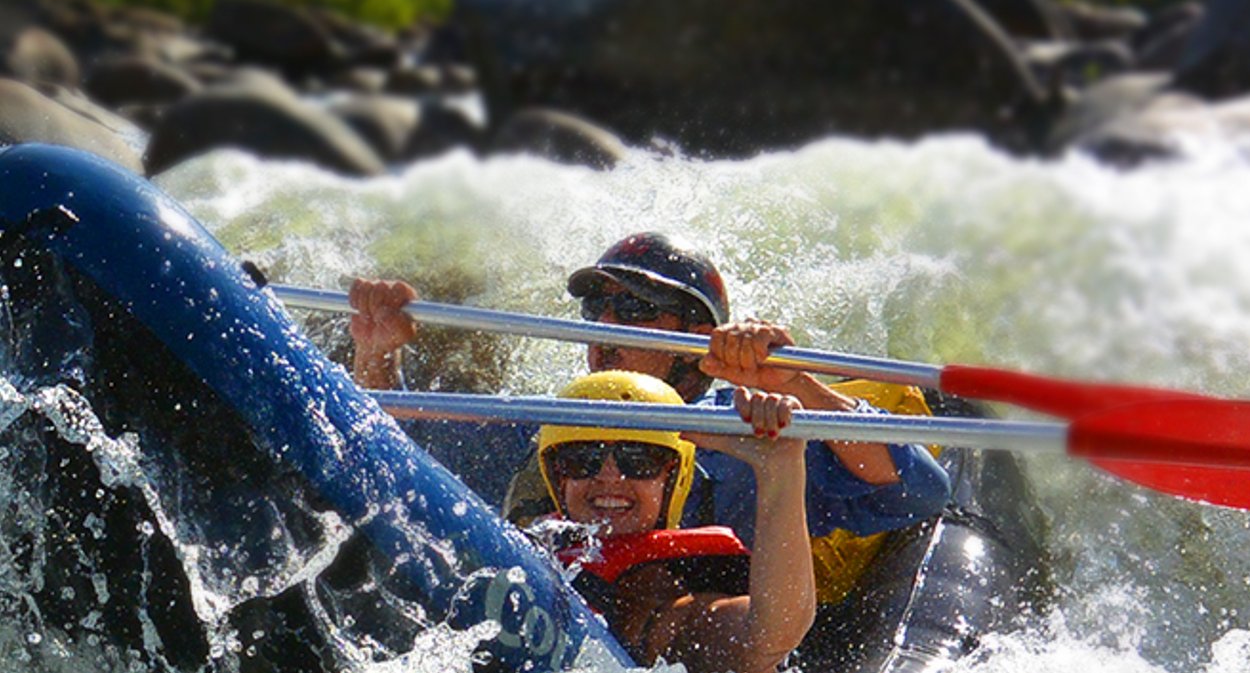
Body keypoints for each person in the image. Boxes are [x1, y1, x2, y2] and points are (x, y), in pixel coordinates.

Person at [347, 233, 951, 560]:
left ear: (695, 337)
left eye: (635, 309)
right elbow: (395, 450)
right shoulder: (558, 423)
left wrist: (793, 384)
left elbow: (914, 491)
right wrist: (377, 352)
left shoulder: (745, 431)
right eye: (597, 307)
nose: (607, 323)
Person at [535, 370, 814, 673]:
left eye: (639, 460)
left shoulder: (668, 598)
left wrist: (780, 467)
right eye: (581, 459)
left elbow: (768, 638)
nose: (609, 476)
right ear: (558, 475)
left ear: (672, 478)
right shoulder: (531, 544)